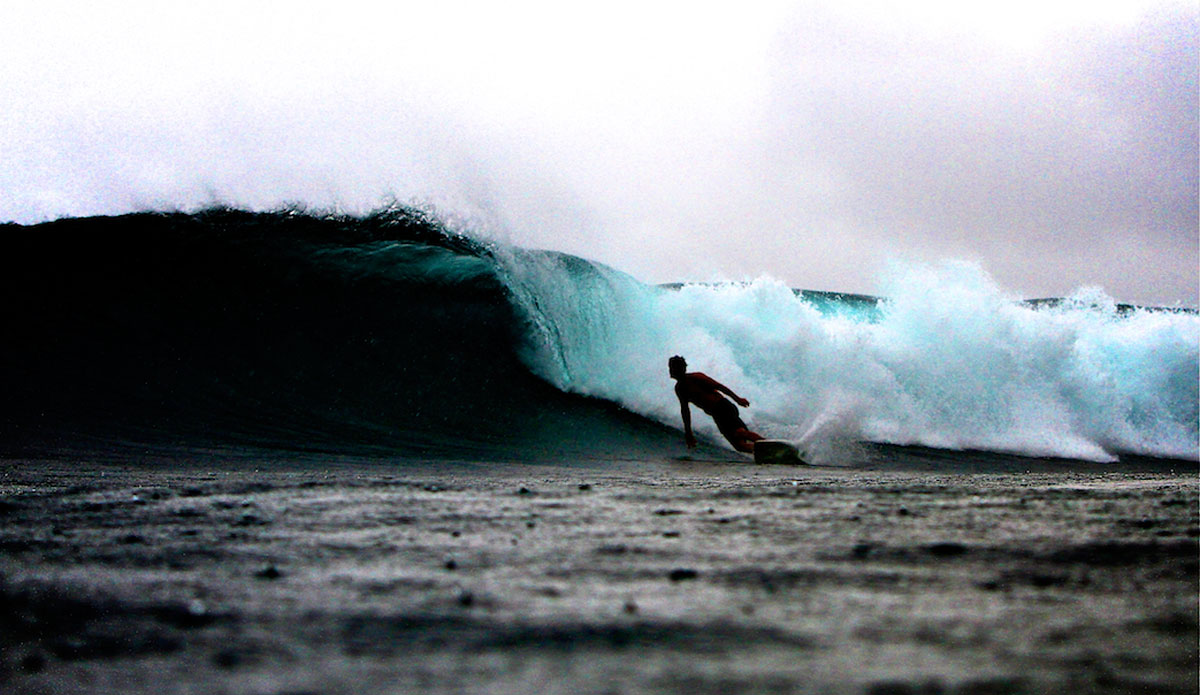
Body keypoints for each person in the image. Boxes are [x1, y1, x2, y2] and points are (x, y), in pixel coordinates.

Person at [669, 355, 763, 453]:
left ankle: (766, 443)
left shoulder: (696, 377)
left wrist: (738, 399)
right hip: (716, 414)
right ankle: (763, 450)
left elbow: (719, 387)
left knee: (740, 433)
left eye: (672, 367)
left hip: (723, 407)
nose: (670, 370)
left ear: (681, 368)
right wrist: (688, 432)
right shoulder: (680, 389)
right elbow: (685, 411)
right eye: (670, 367)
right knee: (739, 446)